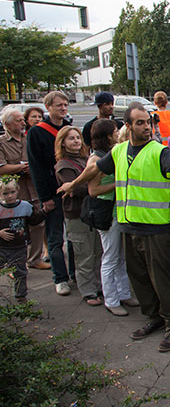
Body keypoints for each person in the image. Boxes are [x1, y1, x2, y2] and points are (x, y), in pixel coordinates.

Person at [57, 102, 170, 352]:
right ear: (127, 125)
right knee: (139, 280)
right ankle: (154, 318)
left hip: (156, 228)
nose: (146, 127)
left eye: (148, 122)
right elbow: (95, 168)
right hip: (129, 227)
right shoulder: (118, 151)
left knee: (163, 280)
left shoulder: (159, 151)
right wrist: (73, 184)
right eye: (140, 122)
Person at [87, 119, 137, 317]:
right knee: (110, 257)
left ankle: (123, 293)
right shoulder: (96, 159)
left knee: (120, 256)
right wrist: (119, 184)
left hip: (120, 211)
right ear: (108, 135)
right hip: (107, 213)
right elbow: (93, 190)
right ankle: (111, 299)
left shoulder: (113, 153)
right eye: (115, 131)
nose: (118, 133)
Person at [27, 91, 74, 296]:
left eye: (65, 105)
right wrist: (45, 198)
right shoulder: (37, 132)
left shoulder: (68, 128)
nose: (63, 108)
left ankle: (74, 273)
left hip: (70, 192)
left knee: (74, 237)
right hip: (52, 193)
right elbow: (36, 167)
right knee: (55, 239)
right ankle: (60, 278)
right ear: (48, 107)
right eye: (59, 105)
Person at [54, 127, 103, 306]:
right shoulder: (64, 165)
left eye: (77, 138)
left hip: (92, 212)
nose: (76, 141)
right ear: (62, 143)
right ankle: (88, 291)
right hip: (76, 215)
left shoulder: (85, 160)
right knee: (84, 255)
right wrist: (93, 183)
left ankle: (98, 286)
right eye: (71, 139)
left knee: (97, 251)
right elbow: (76, 188)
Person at [0, 108, 48, 270]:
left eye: (23, 120)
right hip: (13, 191)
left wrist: (33, 168)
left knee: (38, 223)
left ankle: (35, 259)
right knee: (14, 226)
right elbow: (1, 168)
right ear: (7, 124)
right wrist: (20, 168)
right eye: (18, 120)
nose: (23, 123)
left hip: (32, 188)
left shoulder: (29, 139)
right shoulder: (1, 142)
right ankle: (14, 264)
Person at [0, 179, 44, 303]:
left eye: (12, 192)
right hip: (2, 247)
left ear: (17, 191)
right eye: (5, 194)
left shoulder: (25, 206)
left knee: (20, 271)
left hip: (19, 246)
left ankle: (21, 296)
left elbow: (34, 221)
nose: (10, 196)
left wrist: (44, 212)